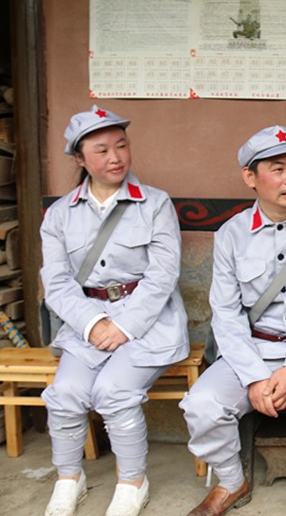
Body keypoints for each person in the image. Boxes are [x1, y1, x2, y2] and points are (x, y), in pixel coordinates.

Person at [180, 125, 286, 516]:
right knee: (202, 403)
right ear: (250, 177)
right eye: (278, 169)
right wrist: (255, 376)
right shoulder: (231, 235)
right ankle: (231, 480)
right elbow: (226, 314)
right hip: (252, 348)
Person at [40, 105, 190, 516]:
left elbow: (163, 275)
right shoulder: (59, 215)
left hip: (148, 321)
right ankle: (68, 478)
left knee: (114, 391)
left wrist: (123, 325)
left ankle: (132, 482)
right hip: (86, 321)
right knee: (65, 394)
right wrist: (93, 323)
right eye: (102, 150)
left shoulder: (155, 204)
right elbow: (56, 282)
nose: (115, 157)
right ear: (79, 158)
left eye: (121, 146)